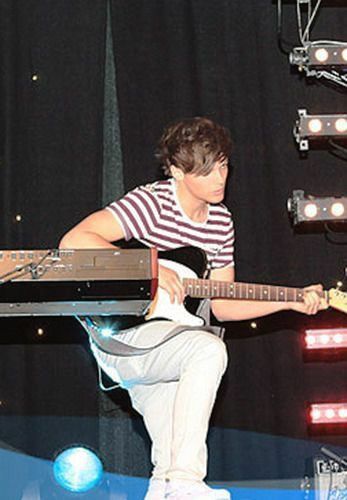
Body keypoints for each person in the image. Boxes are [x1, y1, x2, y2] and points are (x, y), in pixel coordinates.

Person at [59, 117, 327, 500]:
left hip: (167, 345)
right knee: (208, 350)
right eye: (207, 170)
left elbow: (223, 303)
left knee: (165, 464)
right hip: (126, 336)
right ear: (177, 171)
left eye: (224, 165)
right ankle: (187, 480)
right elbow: (74, 240)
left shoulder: (220, 221)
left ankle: (171, 485)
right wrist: (149, 268)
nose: (220, 178)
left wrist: (293, 301)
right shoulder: (152, 202)